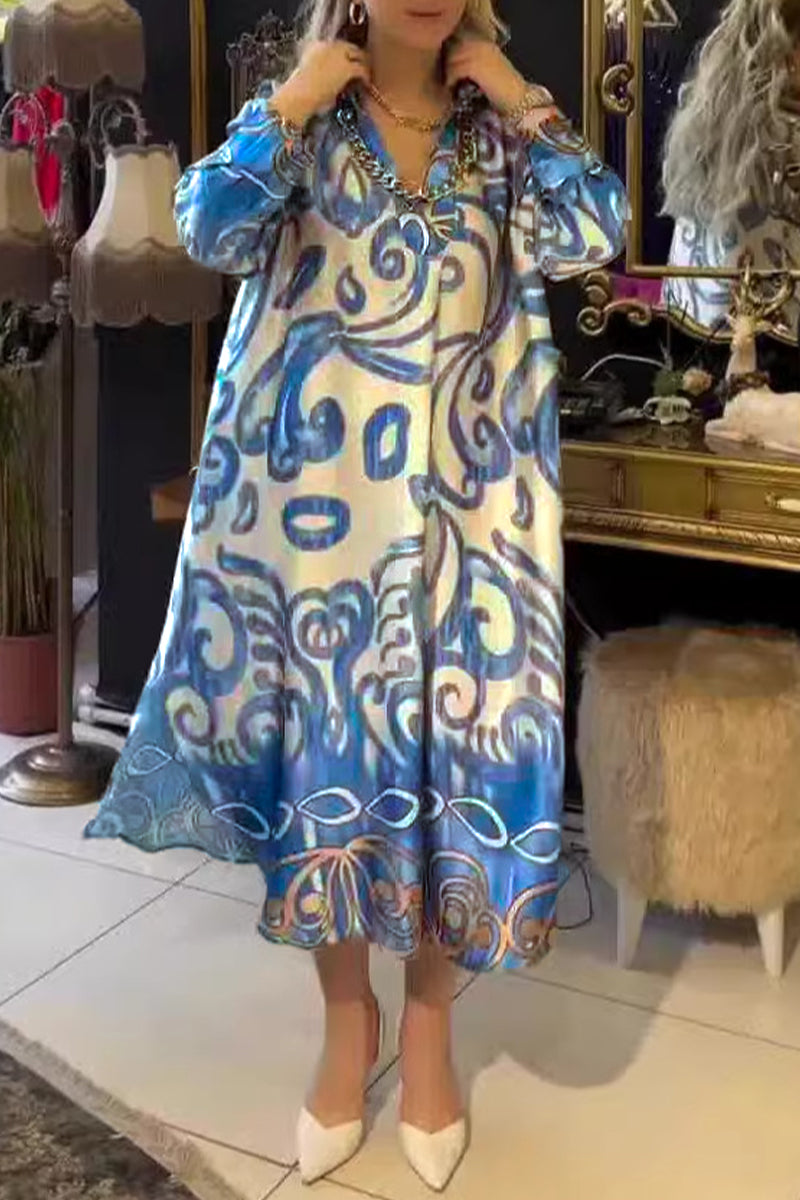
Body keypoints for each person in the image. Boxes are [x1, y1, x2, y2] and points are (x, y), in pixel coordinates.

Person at [86, 0, 626, 1189]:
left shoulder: (499, 133)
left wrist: (525, 97)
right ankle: (348, 1023)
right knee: (326, 773)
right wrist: (288, 105)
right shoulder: (307, 124)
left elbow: (595, 229)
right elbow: (207, 227)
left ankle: (428, 1030)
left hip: (475, 533)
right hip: (319, 534)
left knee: (455, 778)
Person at [662, 0, 800, 336]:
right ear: (790, 54)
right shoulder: (784, 139)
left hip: (685, 335)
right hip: (766, 345)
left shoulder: (706, 117)